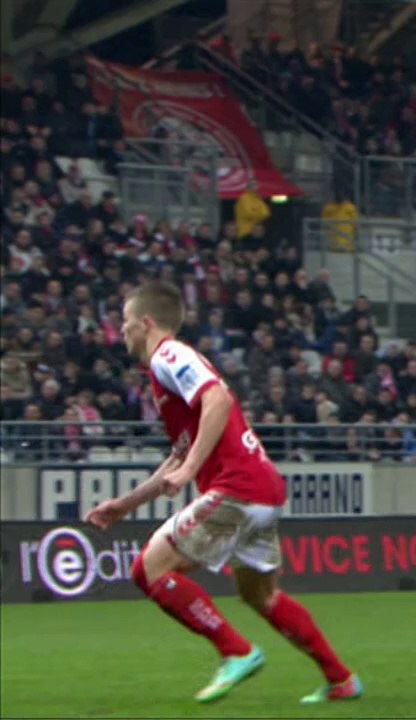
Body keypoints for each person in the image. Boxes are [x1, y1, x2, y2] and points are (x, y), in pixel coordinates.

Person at [84, 281, 361, 705]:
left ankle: (236, 651)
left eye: (124, 323)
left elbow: (218, 401)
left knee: (149, 570)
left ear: (146, 322)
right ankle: (341, 679)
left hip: (237, 488)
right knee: (261, 595)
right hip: (263, 491)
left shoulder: (169, 356)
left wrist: (194, 468)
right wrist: (126, 505)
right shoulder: (170, 376)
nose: (120, 332)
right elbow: (180, 453)